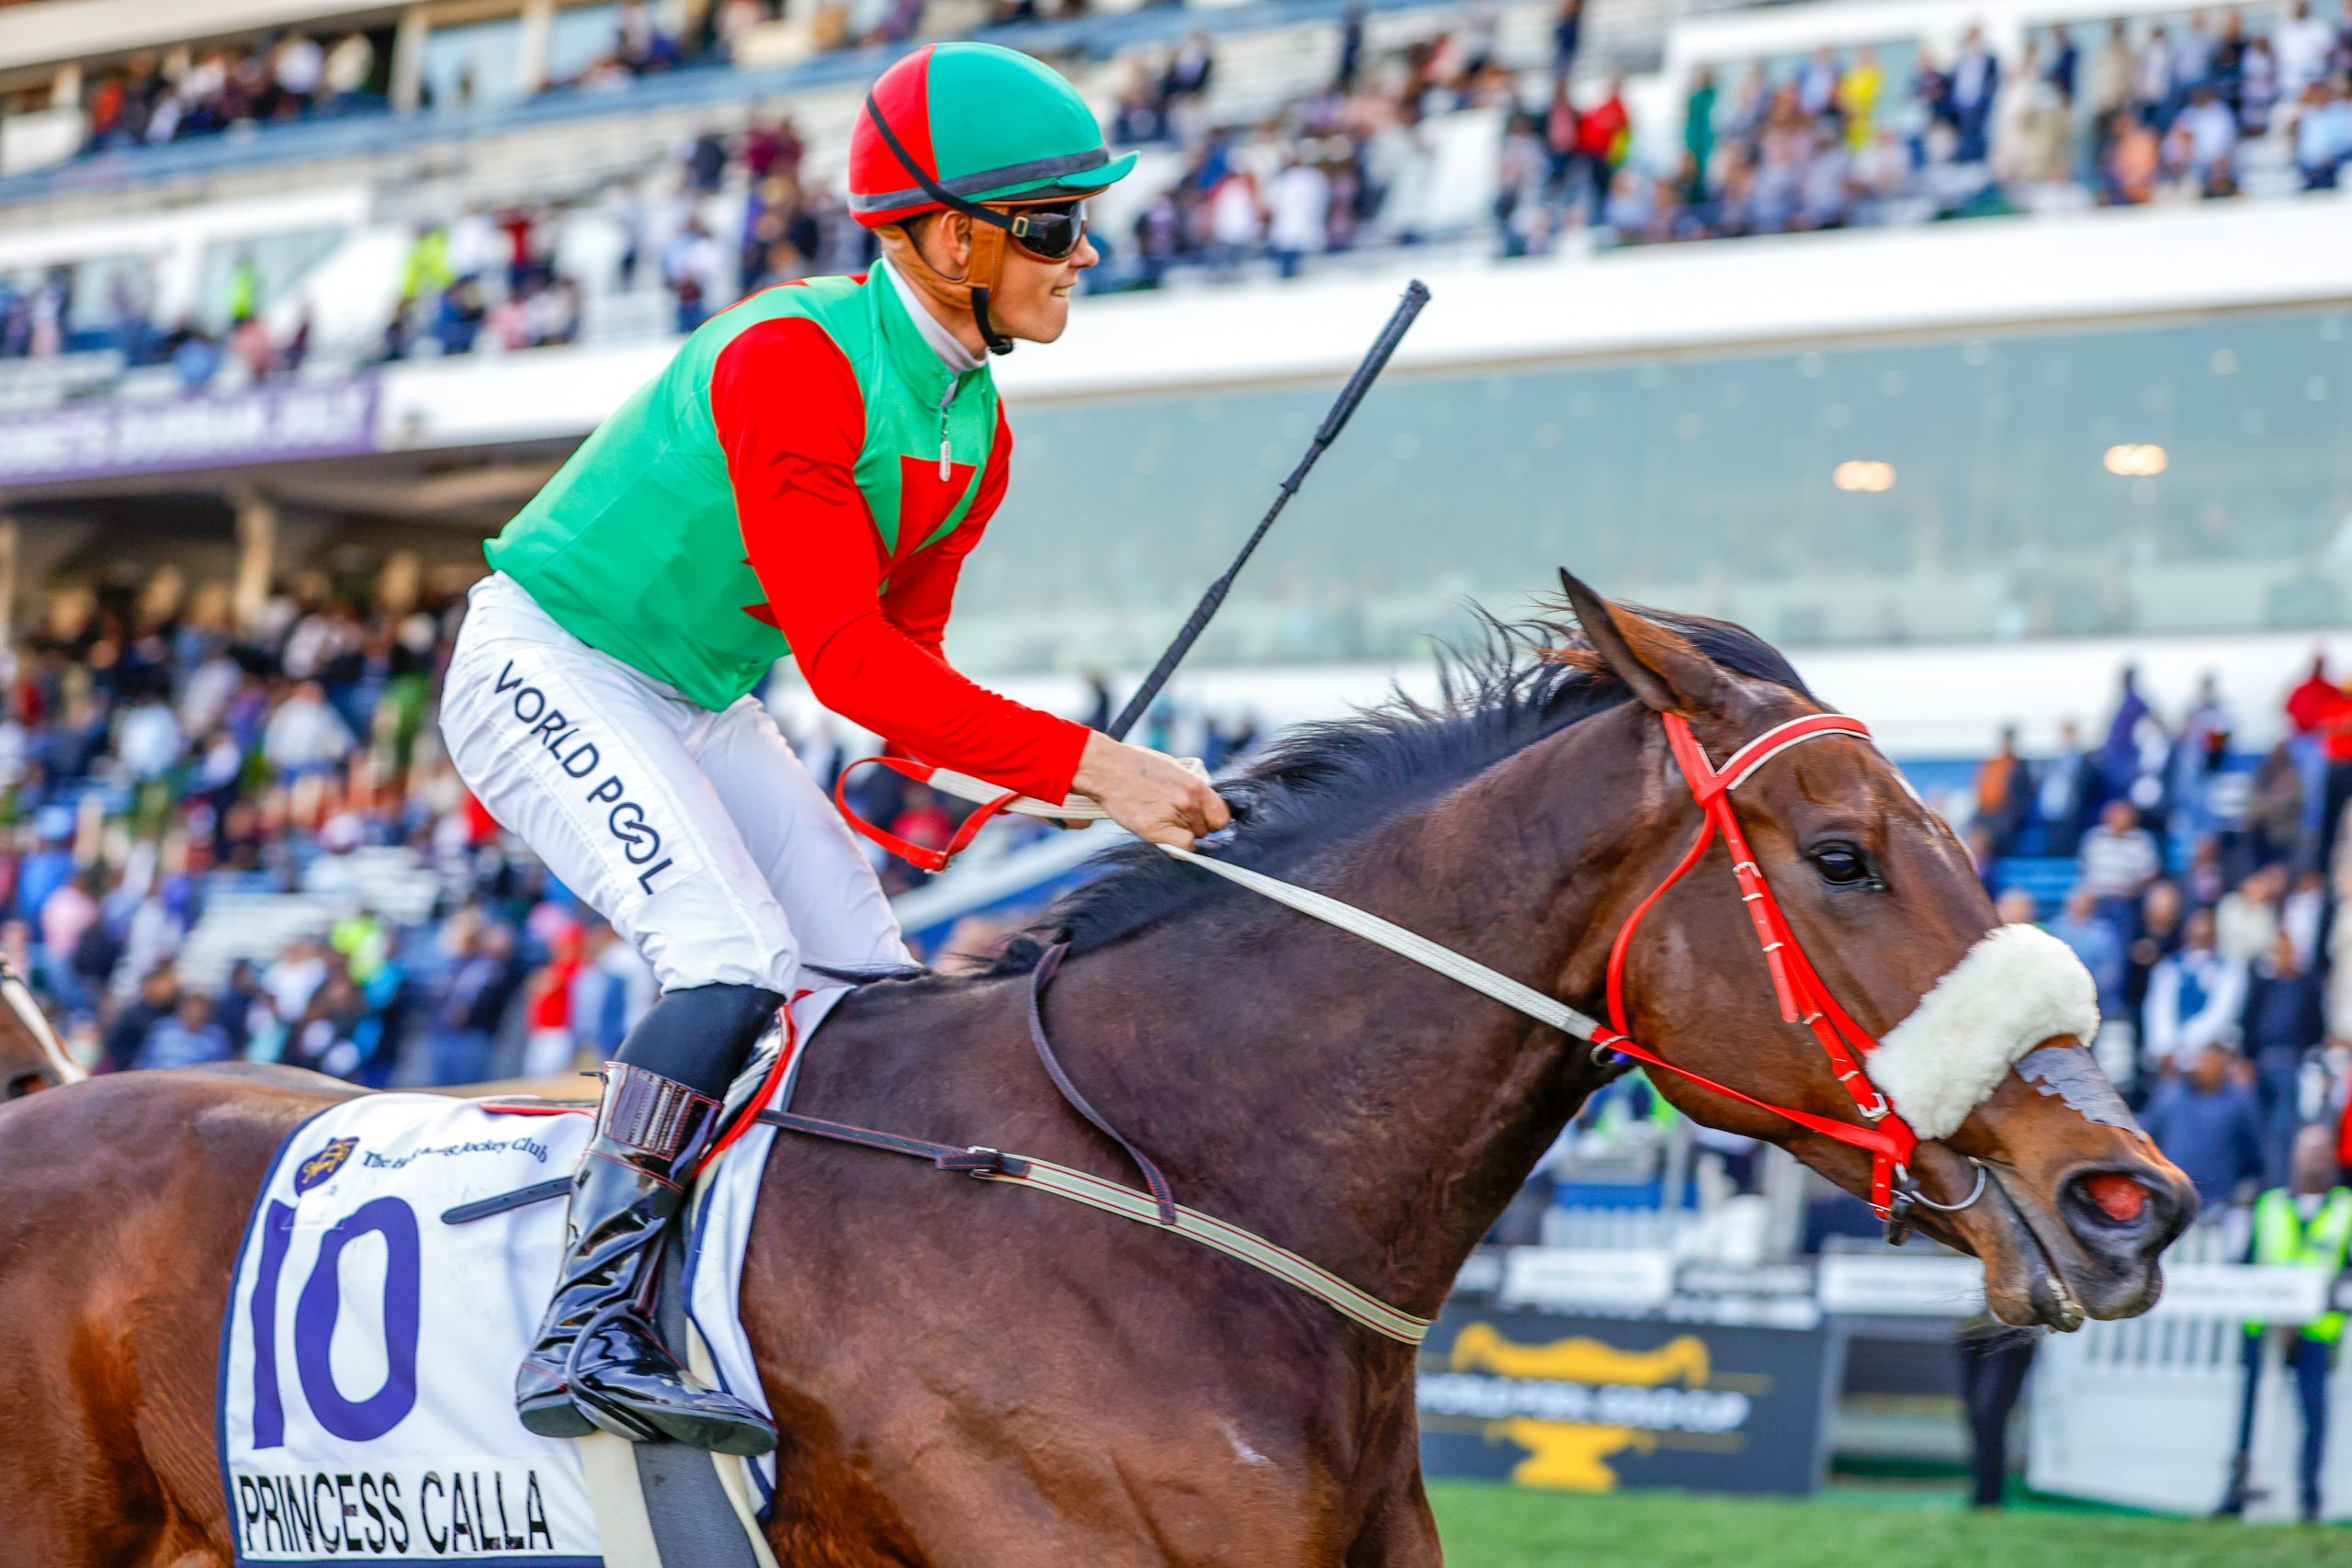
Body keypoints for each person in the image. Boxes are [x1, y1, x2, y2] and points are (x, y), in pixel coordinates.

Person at [443, 42, 1228, 1457]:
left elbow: (905, 673)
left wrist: (1021, 774)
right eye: (1052, 225)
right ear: (944, 237)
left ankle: (823, 1297)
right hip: (548, 660)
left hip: (696, 694)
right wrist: (1094, 767)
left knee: (868, 981)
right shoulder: (796, 360)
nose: (1084, 252)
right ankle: (586, 1325)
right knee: (732, 953)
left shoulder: (976, 422)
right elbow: (851, 666)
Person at [2218, 1125, 2349, 1522]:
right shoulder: (2269, 1205)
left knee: (2314, 1413)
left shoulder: (2345, 1208)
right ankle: (2235, 1493)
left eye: (2321, 1151)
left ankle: (2310, 1500)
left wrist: (2314, 1307)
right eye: (2306, 1150)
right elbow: (2245, 1265)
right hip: (2264, 1327)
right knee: (2249, 1413)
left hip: (2317, 1331)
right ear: (2293, 1155)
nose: (2314, 1159)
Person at [2143, 1041, 2264, 1213]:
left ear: (2225, 1065)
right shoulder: (2170, 1095)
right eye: (2203, 1058)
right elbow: (2150, 1139)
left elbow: (2253, 1152)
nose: (2206, 1065)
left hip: (2221, 1203)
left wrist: (2245, 1188)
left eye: (2214, 1060)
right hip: (2174, 1197)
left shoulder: (2240, 1102)